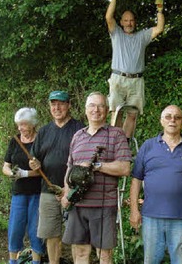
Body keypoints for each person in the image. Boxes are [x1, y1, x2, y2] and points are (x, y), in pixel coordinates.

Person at [129, 105, 182, 264]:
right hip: (151, 216)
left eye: (177, 117)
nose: (173, 120)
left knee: (180, 261)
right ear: (161, 121)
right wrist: (134, 211)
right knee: (151, 261)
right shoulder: (148, 146)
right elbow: (136, 180)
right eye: (168, 116)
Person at [61, 92, 132, 264]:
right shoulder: (78, 136)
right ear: (85, 110)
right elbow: (70, 168)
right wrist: (66, 193)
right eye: (92, 105)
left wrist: (96, 166)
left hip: (103, 205)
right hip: (78, 204)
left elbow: (125, 167)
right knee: (80, 252)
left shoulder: (116, 134)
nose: (96, 110)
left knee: (104, 254)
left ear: (107, 110)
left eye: (100, 106)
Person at [29, 91, 85, 264]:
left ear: (69, 105)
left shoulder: (79, 128)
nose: (57, 108)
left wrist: (70, 190)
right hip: (48, 190)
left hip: (74, 191)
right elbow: (34, 158)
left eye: (61, 104)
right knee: (51, 235)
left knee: (77, 237)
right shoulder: (44, 131)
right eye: (53, 104)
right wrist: (34, 164)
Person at [105, 0, 165, 139]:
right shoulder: (116, 33)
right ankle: (113, 144)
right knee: (116, 114)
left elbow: (159, 28)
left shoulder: (142, 37)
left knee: (132, 115)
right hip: (118, 79)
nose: (129, 23)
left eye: (131, 20)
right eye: (126, 20)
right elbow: (108, 17)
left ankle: (125, 145)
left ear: (135, 22)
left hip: (136, 81)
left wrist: (159, 9)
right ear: (122, 22)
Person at [1, 108, 45, 264]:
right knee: (15, 229)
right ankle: (13, 261)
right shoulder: (15, 140)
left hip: (38, 192)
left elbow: (46, 170)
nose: (20, 128)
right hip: (19, 192)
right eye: (18, 125)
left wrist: (25, 174)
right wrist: (12, 173)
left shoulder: (41, 139)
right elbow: (5, 166)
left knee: (35, 229)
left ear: (32, 124)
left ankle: (36, 261)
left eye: (24, 125)